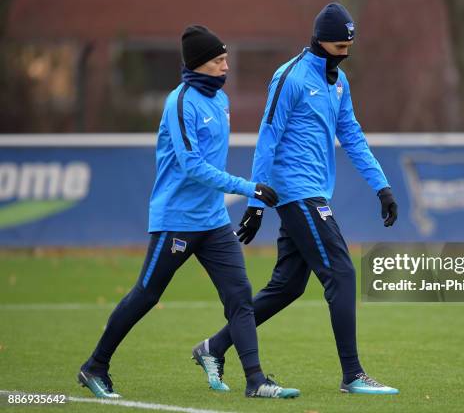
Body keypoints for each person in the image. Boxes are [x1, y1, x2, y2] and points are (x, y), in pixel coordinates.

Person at [77, 25, 299, 400]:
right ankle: (94, 366)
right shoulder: (179, 103)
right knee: (145, 296)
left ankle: (256, 380)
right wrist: (248, 188)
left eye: (226, 58)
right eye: (218, 60)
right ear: (198, 64)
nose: (226, 66)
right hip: (175, 221)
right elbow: (191, 165)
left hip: (213, 222)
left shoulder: (221, 101)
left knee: (240, 295)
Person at [199, 3, 400, 395]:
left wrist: (383, 186)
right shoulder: (289, 77)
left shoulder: (339, 83)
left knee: (287, 286)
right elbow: (267, 138)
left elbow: (353, 137)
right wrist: (256, 203)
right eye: (339, 46)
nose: (344, 53)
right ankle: (353, 375)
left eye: (349, 46)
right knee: (341, 273)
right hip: (296, 193)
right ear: (321, 40)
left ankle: (214, 347)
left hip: (315, 191)